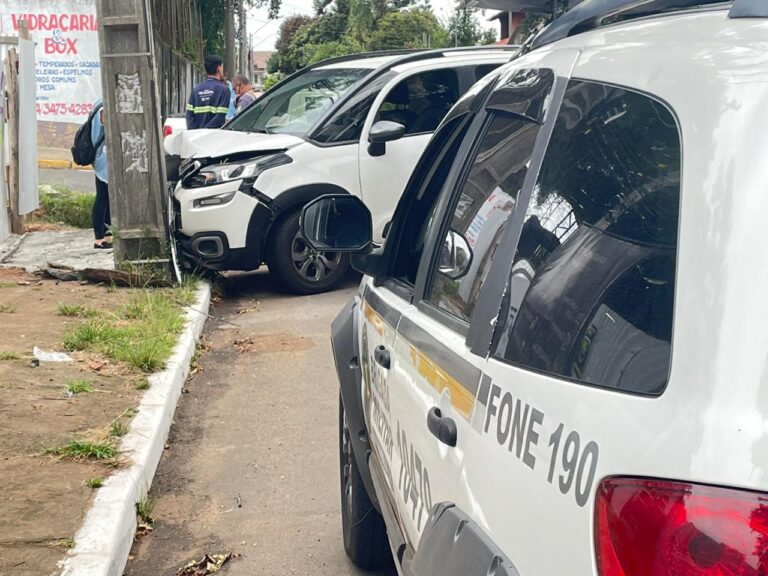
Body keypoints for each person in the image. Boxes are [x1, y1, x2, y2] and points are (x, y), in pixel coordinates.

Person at [186, 54, 231, 130]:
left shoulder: (196, 89)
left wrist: (196, 132)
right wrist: (205, 132)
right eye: (222, 67)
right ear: (219, 68)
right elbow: (220, 117)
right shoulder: (224, 90)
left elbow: (189, 115)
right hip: (214, 135)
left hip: (196, 136)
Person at [91, 100, 111, 250]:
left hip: (101, 155)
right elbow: (107, 122)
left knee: (108, 197)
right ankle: (99, 238)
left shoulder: (99, 103)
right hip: (102, 157)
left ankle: (108, 234)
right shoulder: (104, 106)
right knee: (102, 197)